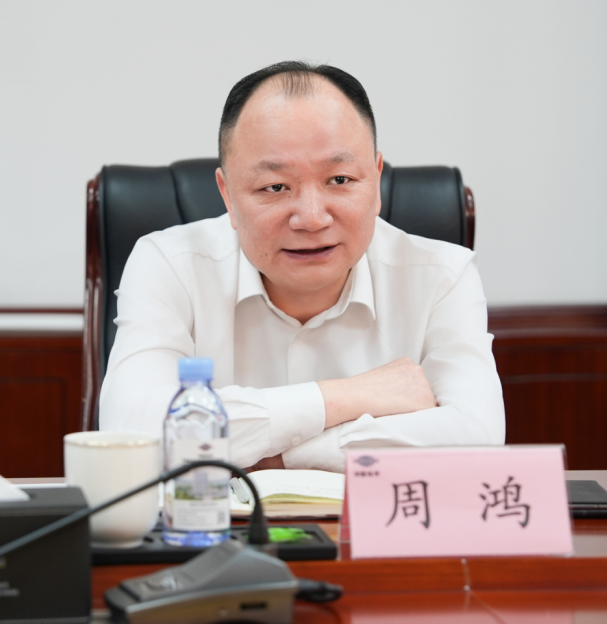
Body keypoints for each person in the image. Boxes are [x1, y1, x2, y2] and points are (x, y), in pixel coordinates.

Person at [99, 61, 505, 473]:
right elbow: (131, 434)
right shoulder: (170, 265)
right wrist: (346, 396)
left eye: (340, 180)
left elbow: (478, 435)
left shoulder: (442, 276)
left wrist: (281, 457)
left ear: (377, 179)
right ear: (227, 195)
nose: (311, 218)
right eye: (275, 187)